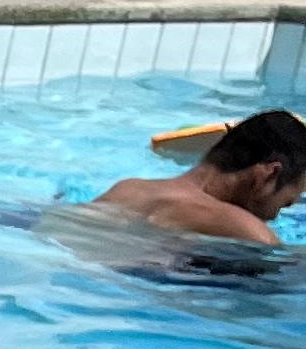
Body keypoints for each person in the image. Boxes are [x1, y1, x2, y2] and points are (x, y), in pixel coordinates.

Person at [86, 107, 306, 250]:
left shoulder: (128, 189)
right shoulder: (248, 231)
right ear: (270, 173)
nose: (274, 217)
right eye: (285, 203)